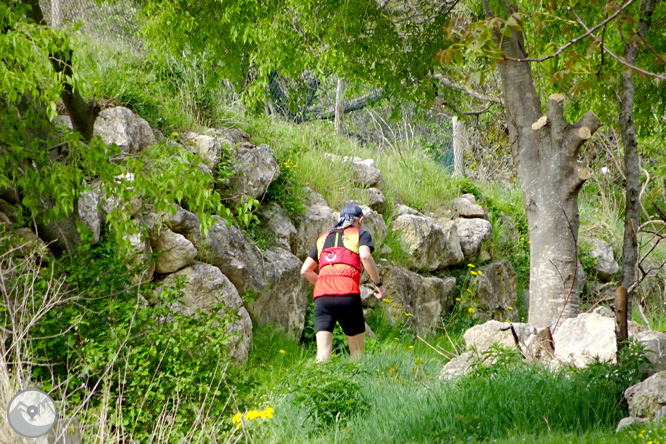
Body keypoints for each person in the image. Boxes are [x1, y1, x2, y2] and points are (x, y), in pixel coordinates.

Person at [300, 203, 385, 362]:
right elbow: (365, 256)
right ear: (360, 220)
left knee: (322, 354)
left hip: (322, 296)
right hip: (347, 294)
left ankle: (319, 385)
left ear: (340, 219)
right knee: (357, 353)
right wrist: (378, 284)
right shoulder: (361, 234)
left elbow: (305, 270)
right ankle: (357, 384)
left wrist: (325, 283)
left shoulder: (323, 238)